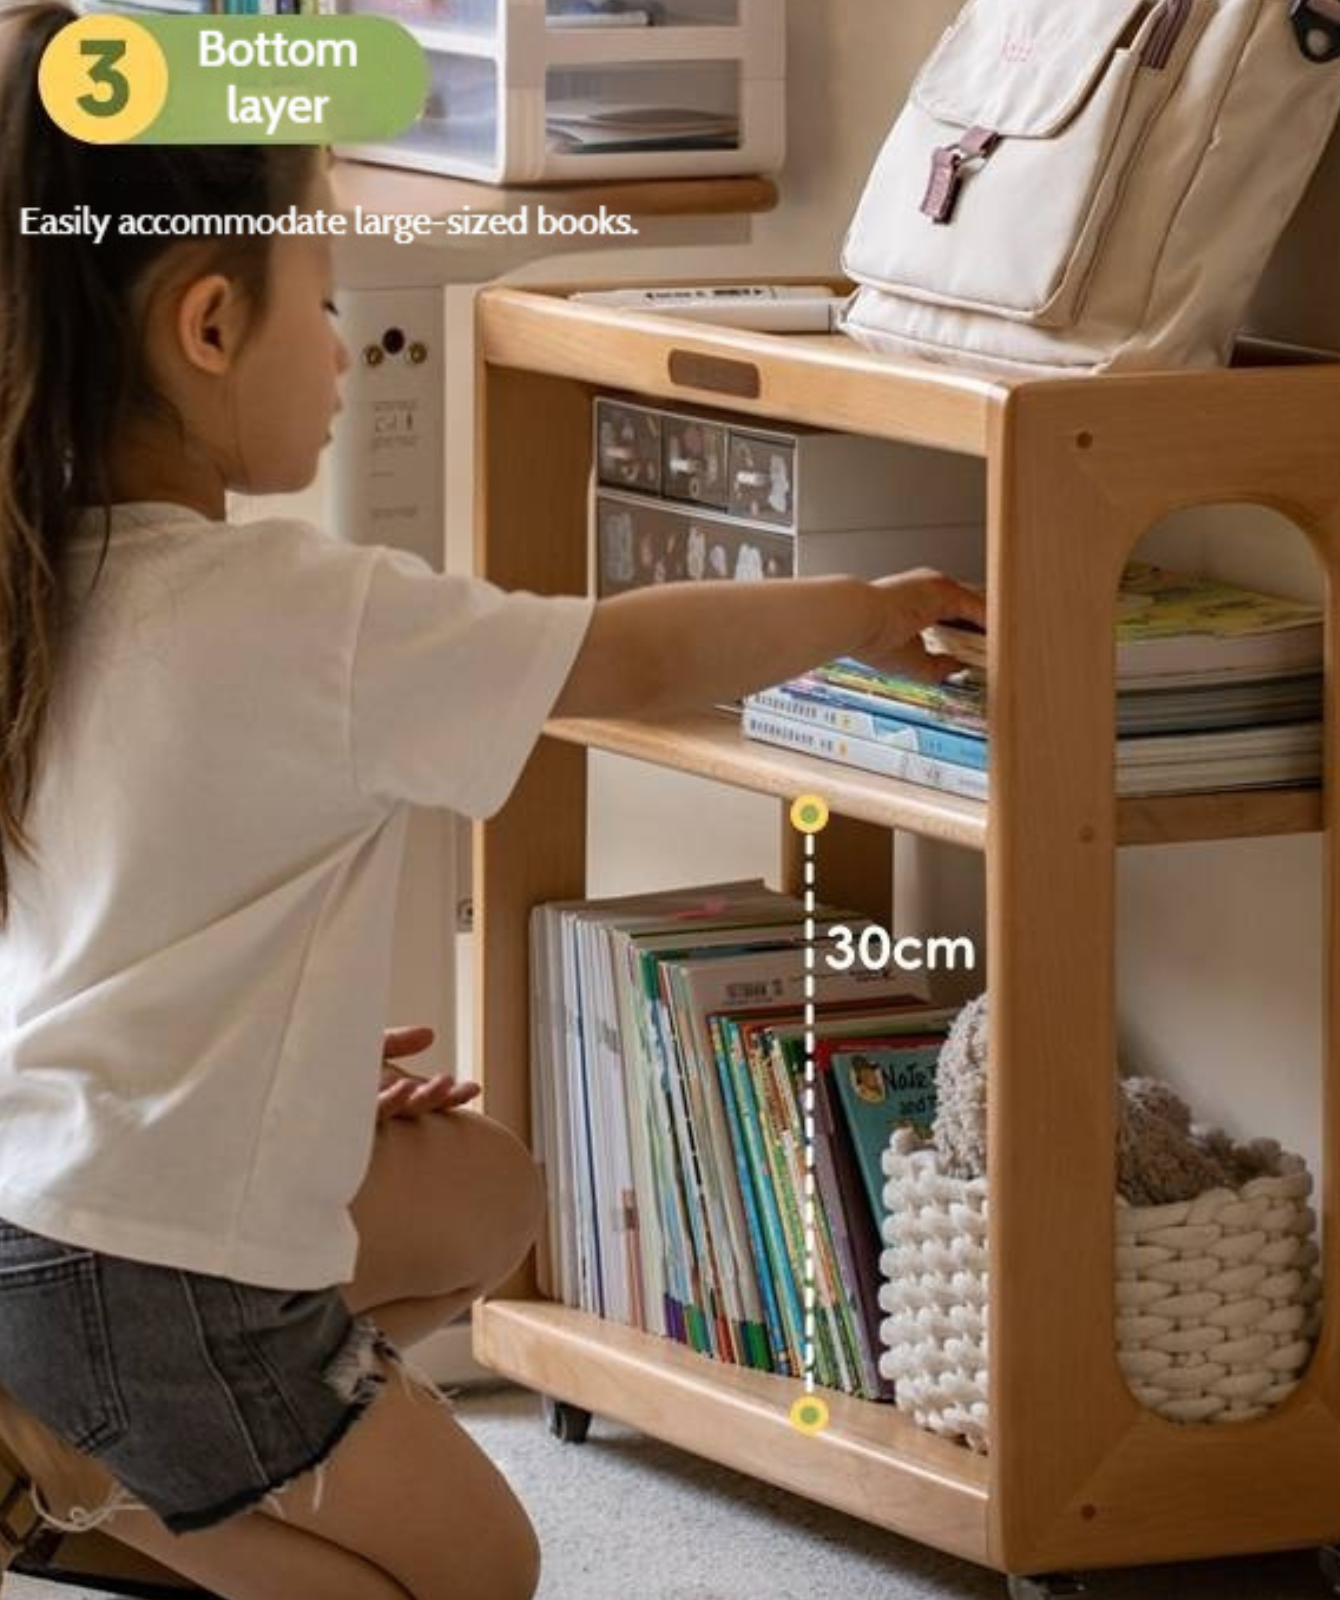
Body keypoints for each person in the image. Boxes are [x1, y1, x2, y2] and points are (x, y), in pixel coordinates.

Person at [0, 7, 984, 1599]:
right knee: (478, 1573)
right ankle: (100, 1502)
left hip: (28, 1222)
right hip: (159, 1274)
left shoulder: (37, 577)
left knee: (482, 1193)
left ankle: (102, 1460)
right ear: (204, 328)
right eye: (322, 298)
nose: (338, 348)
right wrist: (857, 612)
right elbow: (622, 656)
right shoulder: (298, 610)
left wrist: (281, 1072)